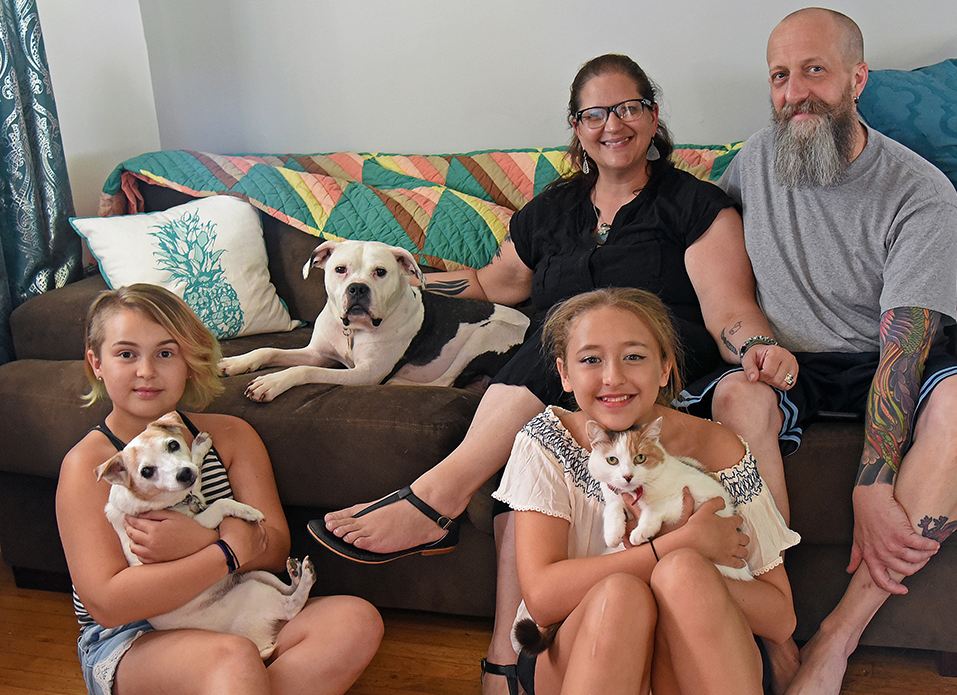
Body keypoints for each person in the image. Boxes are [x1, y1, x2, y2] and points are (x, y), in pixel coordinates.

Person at [309, 54, 797, 694]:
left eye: (627, 108)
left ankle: (437, 500)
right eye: (595, 113)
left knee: (553, 349)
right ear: (576, 127)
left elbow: (727, 307)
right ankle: (506, 653)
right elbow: (492, 284)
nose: (612, 125)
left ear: (652, 116)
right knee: (546, 346)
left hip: (669, 361)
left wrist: (757, 342)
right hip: (562, 367)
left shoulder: (695, 204)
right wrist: (397, 282)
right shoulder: (551, 211)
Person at [675, 9, 957, 694]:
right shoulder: (752, 164)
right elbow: (715, 268)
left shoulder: (919, 191)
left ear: (857, 78)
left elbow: (903, 351)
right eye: (780, 76)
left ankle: (836, 637)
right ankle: (775, 622)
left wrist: (872, 481)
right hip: (789, 365)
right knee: (735, 393)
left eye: (815, 71)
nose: (795, 92)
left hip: (884, 356)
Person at [56, 283, 384, 695]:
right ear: (96, 363)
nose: (146, 371)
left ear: (190, 360)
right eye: (126, 354)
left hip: (233, 606)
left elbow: (276, 547)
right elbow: (108, 603)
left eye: (165, 353)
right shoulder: (90, 466)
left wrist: (200, 539)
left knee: (356, 620)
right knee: (233, 659)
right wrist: (227, 550)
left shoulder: (231, 436)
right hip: (134, 636)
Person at [496, 287, 800, 694]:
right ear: (565, 374)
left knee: (684, 574)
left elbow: (781, 619)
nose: (613, 377)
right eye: (590, 360)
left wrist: (681, 567)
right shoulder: (547, 440)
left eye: (634, 356)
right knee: (622, 595)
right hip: (580, 647)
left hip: (701, 650)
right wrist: (672, 546)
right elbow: (543, 600)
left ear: (664, 369)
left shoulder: (718, 447)